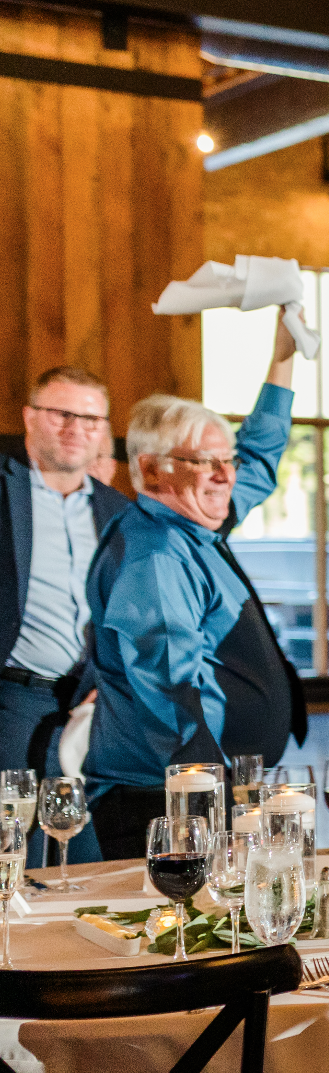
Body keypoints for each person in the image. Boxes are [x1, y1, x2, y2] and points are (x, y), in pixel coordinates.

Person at [85, 318, 308, 859]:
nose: (225, 475)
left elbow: (259, 457)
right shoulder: (156, 555)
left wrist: (283, 358)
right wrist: (212, 810)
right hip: (167, 803)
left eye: (226, 459)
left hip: (203, 791)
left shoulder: (196, 520)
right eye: (205, 462)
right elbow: (170, 692)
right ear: (151, 470)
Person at [1, 366, 127, 862]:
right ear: (30, 417)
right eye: (62, 415)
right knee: (16, 852)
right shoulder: (5, 490)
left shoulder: (117, 509)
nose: (77, 429)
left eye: (91, 419)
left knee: (85, 856)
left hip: (92, 707)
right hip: (14, 699)